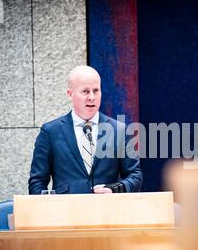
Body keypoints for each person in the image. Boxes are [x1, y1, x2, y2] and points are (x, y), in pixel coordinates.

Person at [28, 65, 143, 194]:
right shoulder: (50, 132)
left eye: (96, 90)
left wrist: (116, 189)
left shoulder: (119, 131)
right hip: (65, 211)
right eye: (85, 91)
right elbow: (37, 181)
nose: (92, 97)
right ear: (70, 94)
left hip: (107, 210)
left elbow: (135, 176)